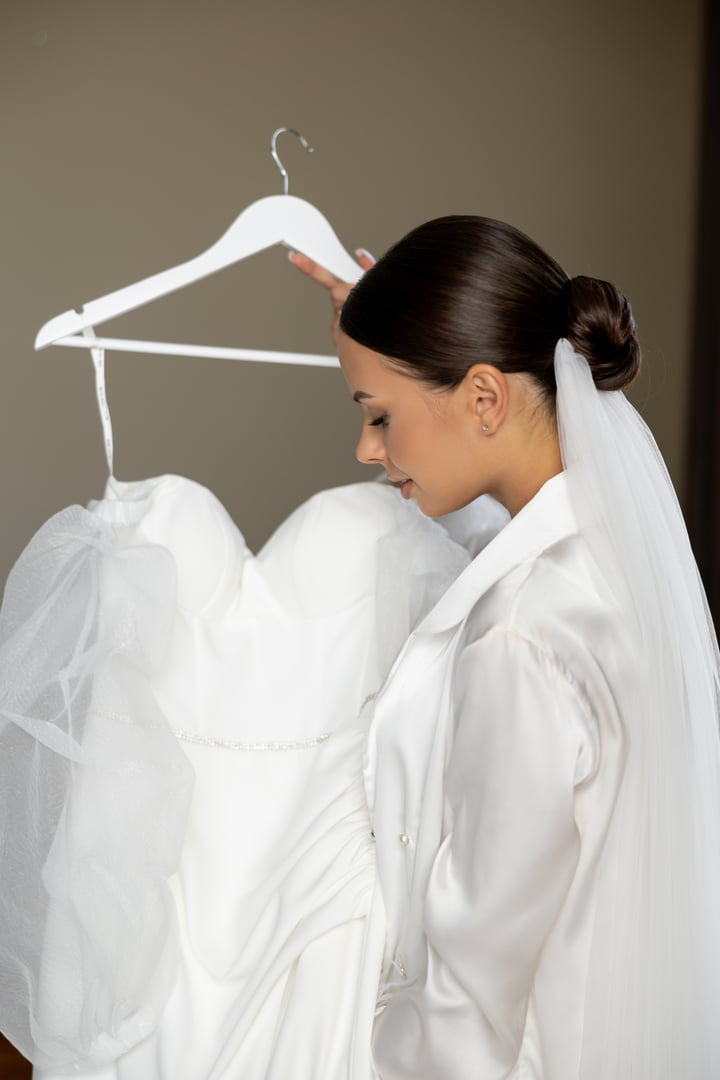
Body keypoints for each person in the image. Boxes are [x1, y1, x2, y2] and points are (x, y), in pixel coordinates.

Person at [291, 217, 720, 1079]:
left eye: (379, 415)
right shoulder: (611, 564)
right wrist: (388, 333)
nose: (367, 449)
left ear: (485, 398)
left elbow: (476, 985)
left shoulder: (517, 639)